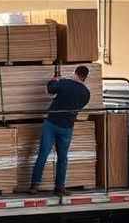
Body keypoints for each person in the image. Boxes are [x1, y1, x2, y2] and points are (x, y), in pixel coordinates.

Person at [29, 65, 91, 196]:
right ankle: (60, 187)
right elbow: (80, 106)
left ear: (75, 73)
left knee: (43, 154)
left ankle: (35, 185)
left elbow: (50, 89)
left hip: (51, 124)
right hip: (67, 127)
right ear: (85, 77)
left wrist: (54, 79)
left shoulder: (65, 83)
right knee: (63, 158)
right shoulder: (86, 93)